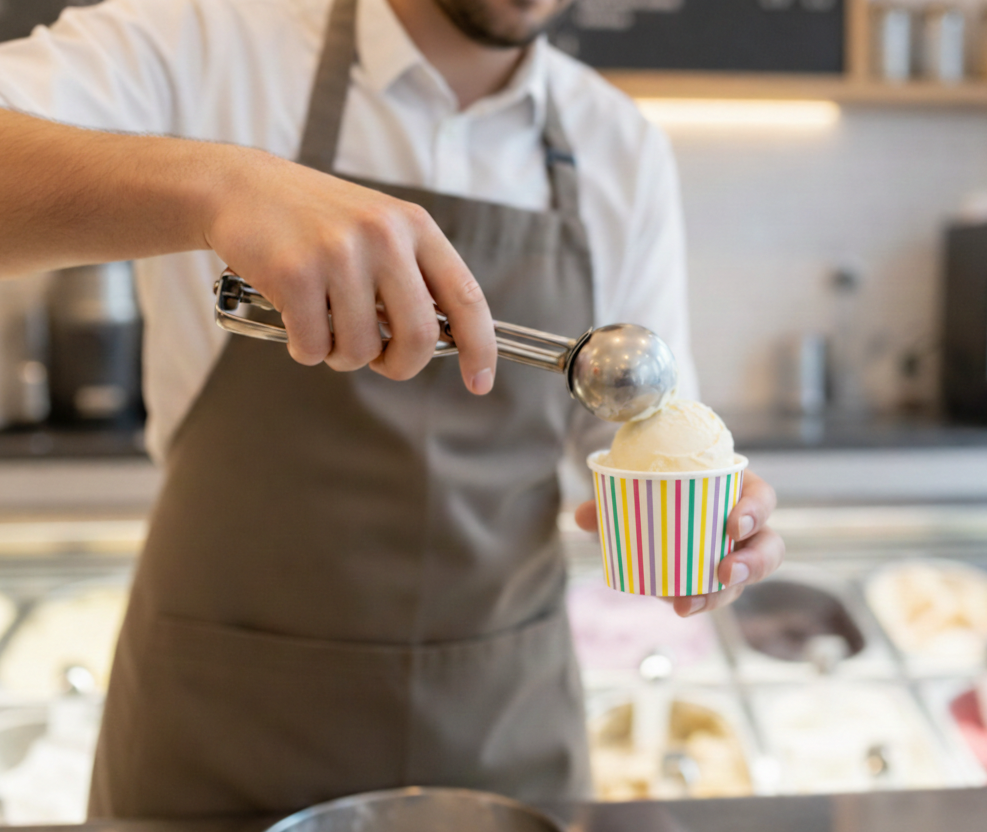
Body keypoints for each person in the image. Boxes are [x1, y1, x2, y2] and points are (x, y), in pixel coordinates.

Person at [0, 0, 785, 817]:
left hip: (499, 733)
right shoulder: (200, 43)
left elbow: (637, 417)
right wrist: (220, 185)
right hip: (215, 734)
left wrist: (711, 513)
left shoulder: (615, 144)